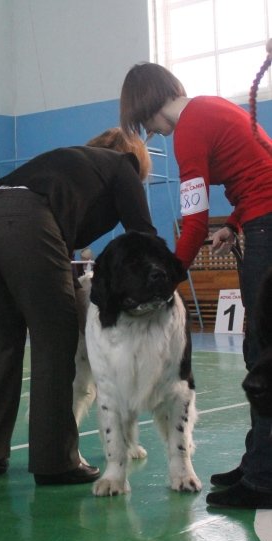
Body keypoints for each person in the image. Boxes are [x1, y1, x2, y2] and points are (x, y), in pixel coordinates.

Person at [0, 127, 157, 485]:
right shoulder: (123, 166)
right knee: (55, 340)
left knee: (1, 338)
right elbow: (142, 236)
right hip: (26, 222)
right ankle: (55, 461)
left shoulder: (68, 162)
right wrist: (162, 287)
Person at [120, 61, 272, 509]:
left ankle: (264, 480)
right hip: (261, 220)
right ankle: (256, 462)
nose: (151, 132)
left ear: (147, 104)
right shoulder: (212, 108)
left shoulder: (189, 129)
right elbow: (264, 168)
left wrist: (168, 276)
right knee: (258, 349)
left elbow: (195, 219)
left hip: (267, 228)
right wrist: (238, 222)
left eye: (142, 121)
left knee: (263, 356)